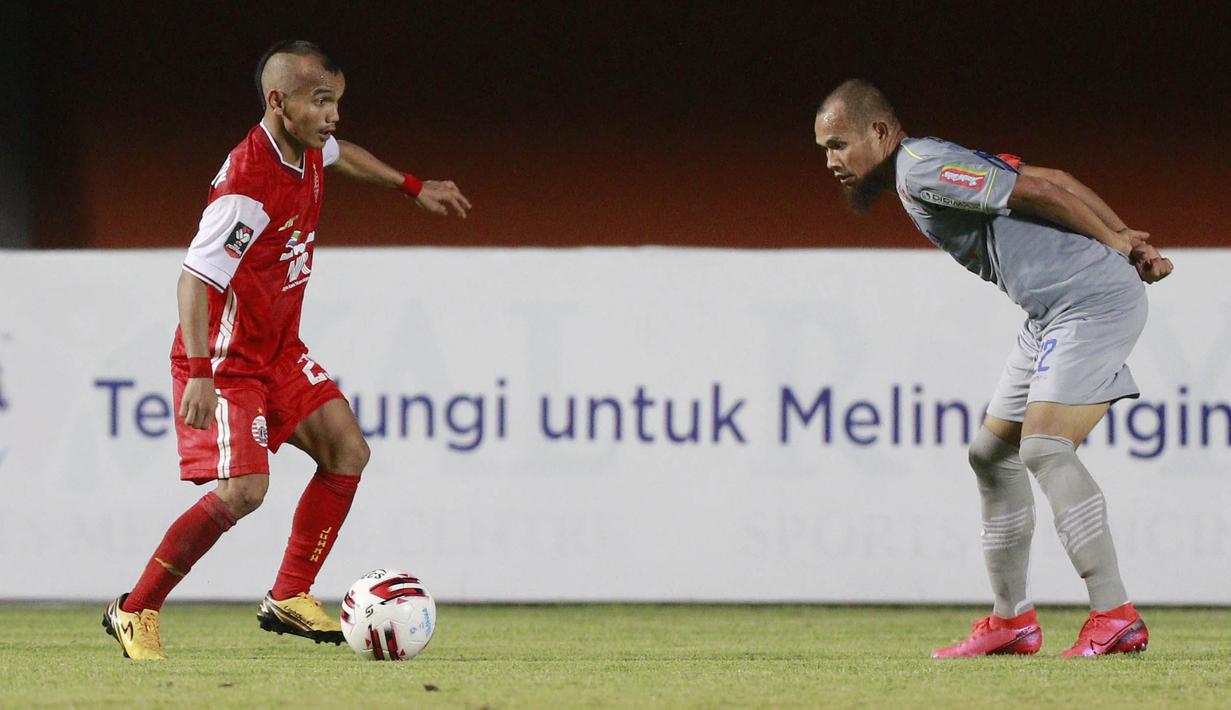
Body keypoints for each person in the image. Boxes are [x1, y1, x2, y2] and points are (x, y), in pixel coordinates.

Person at [102, 40, 471, 660]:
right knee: (245, 491)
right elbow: (194, 279)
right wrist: (199, 373)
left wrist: (411, 186)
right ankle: (134, 610)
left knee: (347, 449)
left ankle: (289, 595)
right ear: (279, 102)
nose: (333, 116)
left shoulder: (305, 146)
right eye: (321, 101)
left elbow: (342, 156)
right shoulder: (248, 184)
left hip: (277, 350)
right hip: (227, 360)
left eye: (337, 101)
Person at [813, 79, 1173, 658]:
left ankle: (1116, 614)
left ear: (879, 132)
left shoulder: (920, 171)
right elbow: (1056, 178)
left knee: (1045, 448)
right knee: (991, 454)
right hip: (1050, 312)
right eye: (824, 150)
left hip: (1090, 302)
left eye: (838, 144)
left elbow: (1039, 192)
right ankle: (1012, 623)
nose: (831, 161)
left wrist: (1118, 244)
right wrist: (1124, 237)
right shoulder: (927, 156)